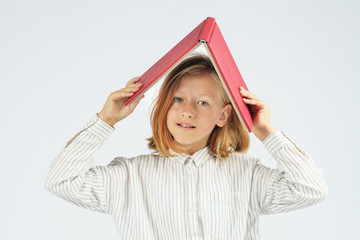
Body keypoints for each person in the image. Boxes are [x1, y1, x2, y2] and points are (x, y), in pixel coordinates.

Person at [45, 54, 328, 240]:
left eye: (202, 102)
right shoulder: (128, 176)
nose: (187, 111)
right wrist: (105, 120)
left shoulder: (249, 175)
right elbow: (62, 181)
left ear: (223, 116)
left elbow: (310, 189)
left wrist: (265, 130)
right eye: (178, 99)